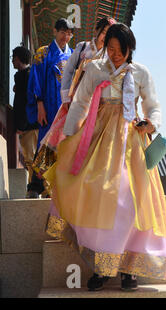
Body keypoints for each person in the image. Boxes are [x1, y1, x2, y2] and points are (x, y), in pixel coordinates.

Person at [43, 23, 166, 292]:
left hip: (130, 139)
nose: (114, 54)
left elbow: (153, 105)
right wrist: (67, 137)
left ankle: (128, 269)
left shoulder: (141, 73)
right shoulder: (95, 69)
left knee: (130, 201)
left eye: (119, 50)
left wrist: (151, 123)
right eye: (110, 48)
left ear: (129, 49)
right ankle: (102, 266)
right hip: (99, 136)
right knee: (98, 194)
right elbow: (80, 103)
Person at [32, 17, 116, 177]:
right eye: (104, 32)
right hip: (75, 101)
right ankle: (38, 182)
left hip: (96, 105)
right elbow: (69, 73)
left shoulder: (109, 55)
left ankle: (74, 181)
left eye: (110, 34)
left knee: (85, 142)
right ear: (97, 30)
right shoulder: (83, 47)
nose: (106, 37)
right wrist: (66, 99)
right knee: (58, 136)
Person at [26, 18, 74, 198]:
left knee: (64, 146)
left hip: (67, 111)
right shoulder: (42, 53)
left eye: (69, 33)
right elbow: (35, 80)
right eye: (62, 32)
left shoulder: (73, 55)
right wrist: (39, 105)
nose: (65, 36)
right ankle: (35, 186)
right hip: (48, 108)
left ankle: (55, 188)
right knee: (45, 144)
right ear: (55, 31)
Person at [11, 46, 39, 183]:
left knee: (31, 158)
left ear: (18, 58)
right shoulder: (29, 75)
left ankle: (35, 188)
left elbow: (24, 103)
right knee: (32, 157)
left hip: (30, 124)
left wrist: (21, 124)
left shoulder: (26, 77)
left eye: (13, 58)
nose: (12, 62)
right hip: (32, 123)